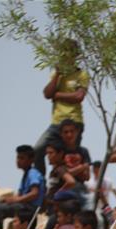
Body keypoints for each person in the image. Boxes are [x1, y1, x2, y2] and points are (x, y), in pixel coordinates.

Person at [33, 39, 89, 174]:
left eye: (69, 53)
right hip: (57, 123)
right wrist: (58, 74)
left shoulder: (81, 74)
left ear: (75, 55)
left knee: (71, 157)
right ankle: (41, 181)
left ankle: (72, 184)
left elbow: (79, 97)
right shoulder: (56, 74)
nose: (66, 56)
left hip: (74, 121)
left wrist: (57, 95)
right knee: (38, 149)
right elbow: (47, 94)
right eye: (63, 53)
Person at [0, 145, 45, 219]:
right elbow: (20, 195)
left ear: (31, 160)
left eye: (22, 158)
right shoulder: (26, 174)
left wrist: (16, 200)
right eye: (18, 158)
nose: (18, 161)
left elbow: (35, 193)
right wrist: (9, 199)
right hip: (24, 206)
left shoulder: (33, 173)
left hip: (30, 208)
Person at [59, 119, 92, 185]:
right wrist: (82, 167)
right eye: (66, 132)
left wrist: (70, 172)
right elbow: (61, 173)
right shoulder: (59, 151)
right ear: (61, 134)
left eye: (72, 131)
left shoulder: (84, 151)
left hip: (80, 188)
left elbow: (87, 177)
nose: (69, 135)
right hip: (63, 188)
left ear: (77, 132)